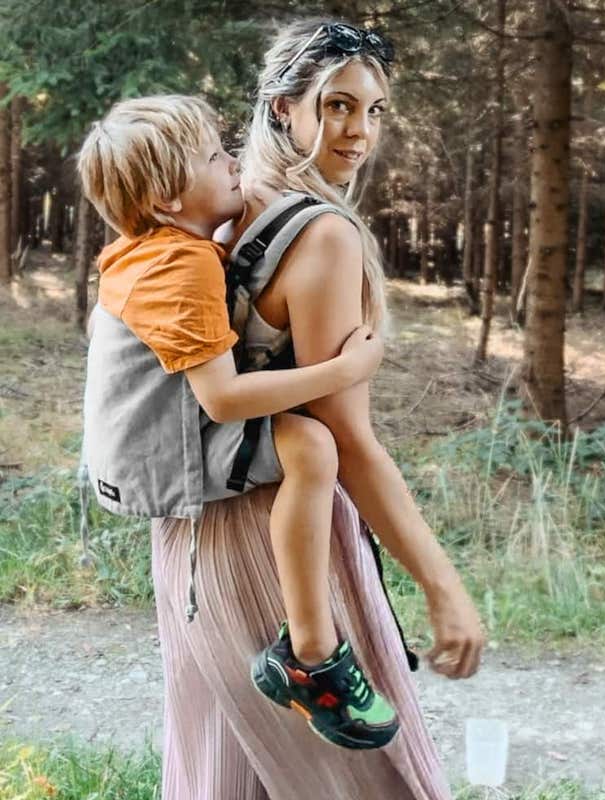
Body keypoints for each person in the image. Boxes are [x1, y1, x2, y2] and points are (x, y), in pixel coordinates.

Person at [152, 19, 486, 800]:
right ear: (283, 108)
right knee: (364, 782)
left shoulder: (211, 213)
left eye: (374, 111)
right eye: (337, 106)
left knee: (224, 778)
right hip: (281, 539)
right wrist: (443, 587)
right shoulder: (323, 236)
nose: (360, 131)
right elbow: (351, 443)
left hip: (188, 536)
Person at [77, 94, 399, 750]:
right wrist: (344, 370)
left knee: (304, 443)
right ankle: (310, 657)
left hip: (138, 444)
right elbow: (223, 400)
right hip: (161, 456)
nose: (232, 163)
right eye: (212, 157)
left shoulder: (152, 249)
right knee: (311, 446)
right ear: (168, 199)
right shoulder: (182, 265)